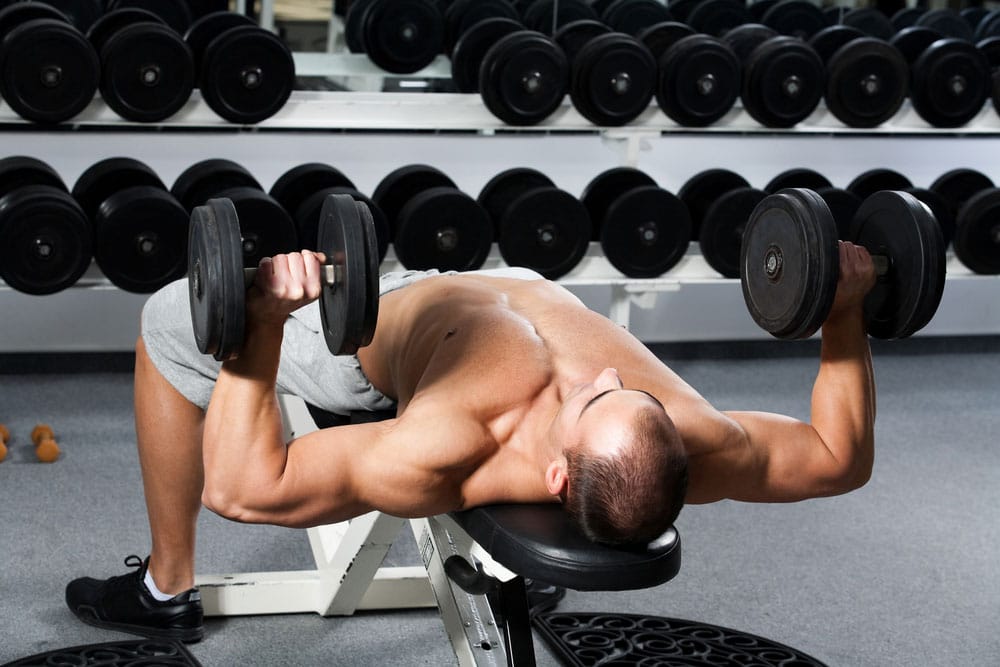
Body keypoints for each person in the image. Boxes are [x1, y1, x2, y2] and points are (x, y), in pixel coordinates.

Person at [65, 241, 877, 644]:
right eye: (624, 393)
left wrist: (265, 325)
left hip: (373, 335)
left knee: (168, 321)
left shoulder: (448, 444)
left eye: (593, 403)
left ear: (555, 475)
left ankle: (167, 590)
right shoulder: (688, 432)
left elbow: (244, 488)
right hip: (500, 281)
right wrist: (844, 310)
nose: (596, 377)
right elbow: (838, 456)